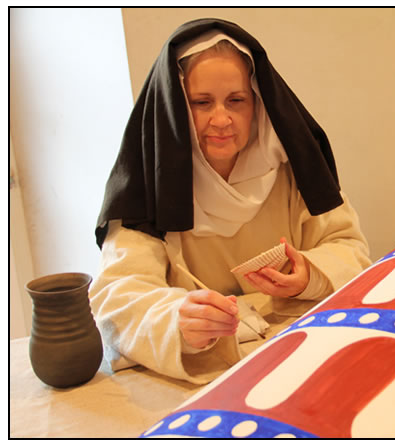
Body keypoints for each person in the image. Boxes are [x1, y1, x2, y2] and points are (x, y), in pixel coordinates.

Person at [90, 18, 371, 384]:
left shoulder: (293, 170)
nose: (221, 119)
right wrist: (176, 320)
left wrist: (311, 276)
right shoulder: (149, 188)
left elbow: (351, 249)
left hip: (297, 359)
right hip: (206, 376)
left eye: (236, 101)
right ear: (175, 106)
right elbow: (116, 297)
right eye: (202, 102)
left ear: (258, 102)